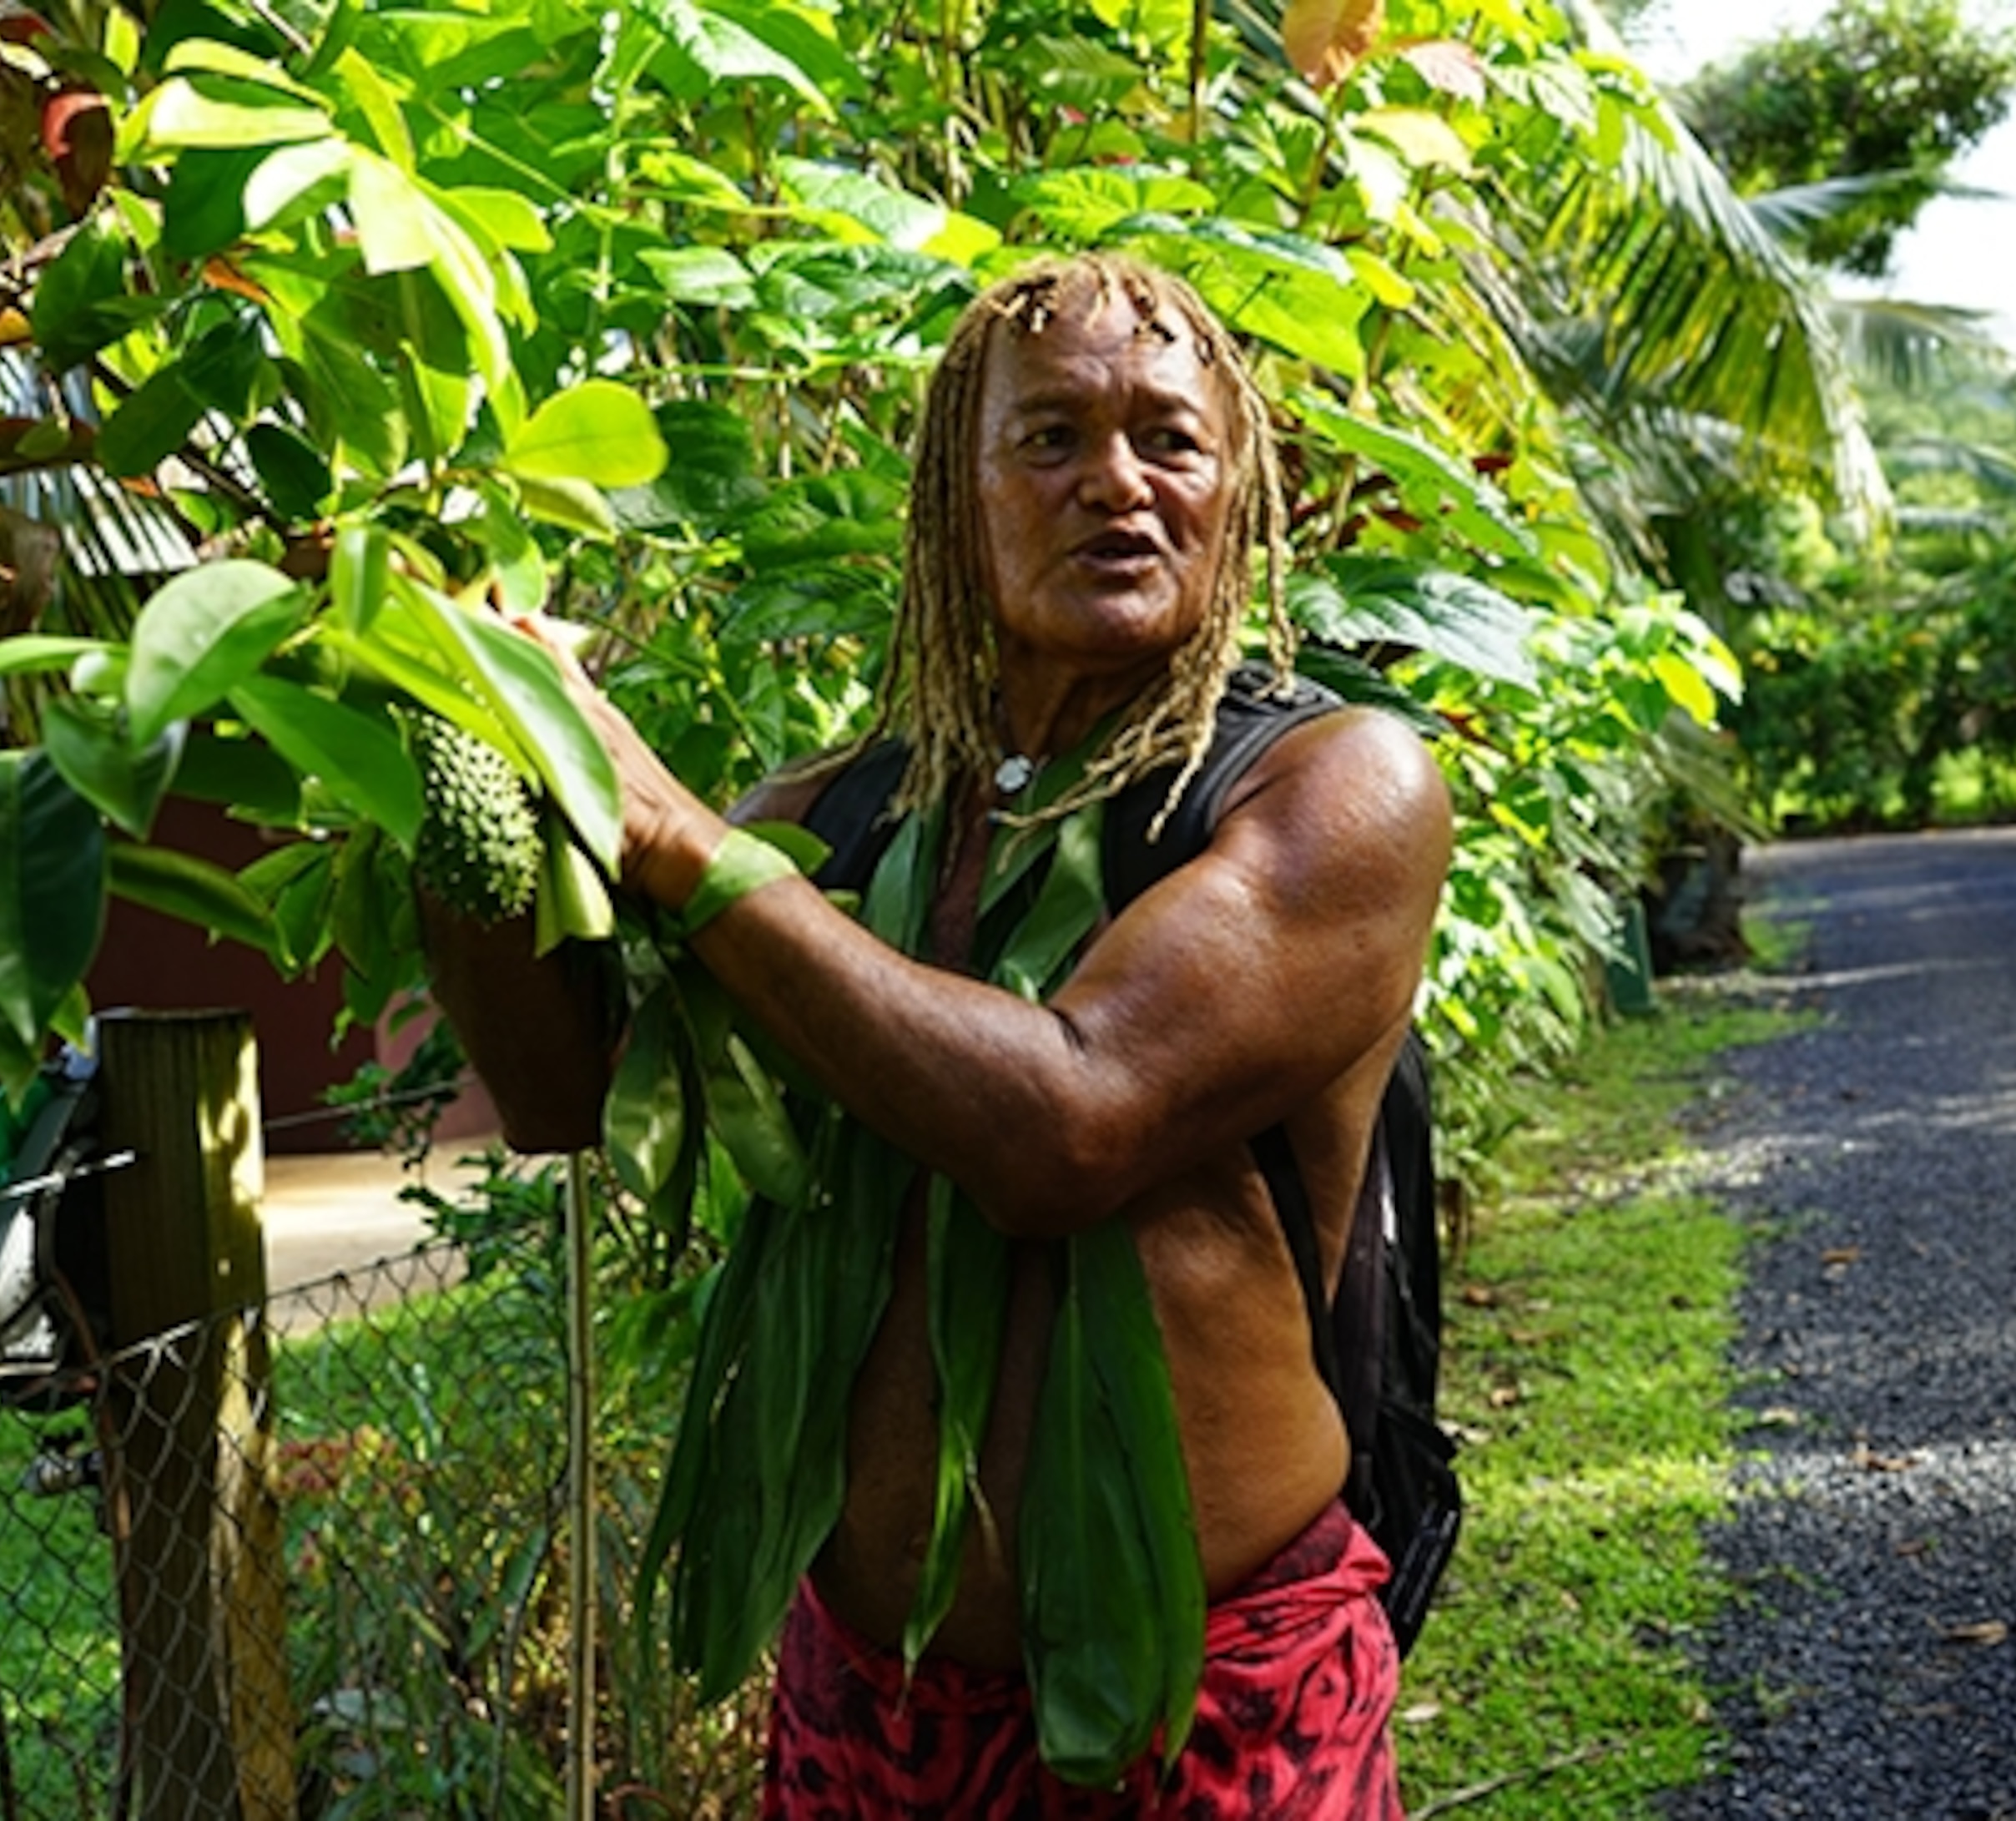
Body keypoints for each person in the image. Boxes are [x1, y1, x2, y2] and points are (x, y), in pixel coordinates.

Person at [424, 250, 1451, 1818]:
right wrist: (474, 765)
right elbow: (569, 1091)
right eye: (1050, 440)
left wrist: (668, 831)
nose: (1117, 482)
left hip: (1214, 1690)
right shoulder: (836, 820)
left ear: (1234, 494)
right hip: (866, 1697)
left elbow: (1071, 1125)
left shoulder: (1333, 787)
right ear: (951, 501)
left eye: (1169, 439)